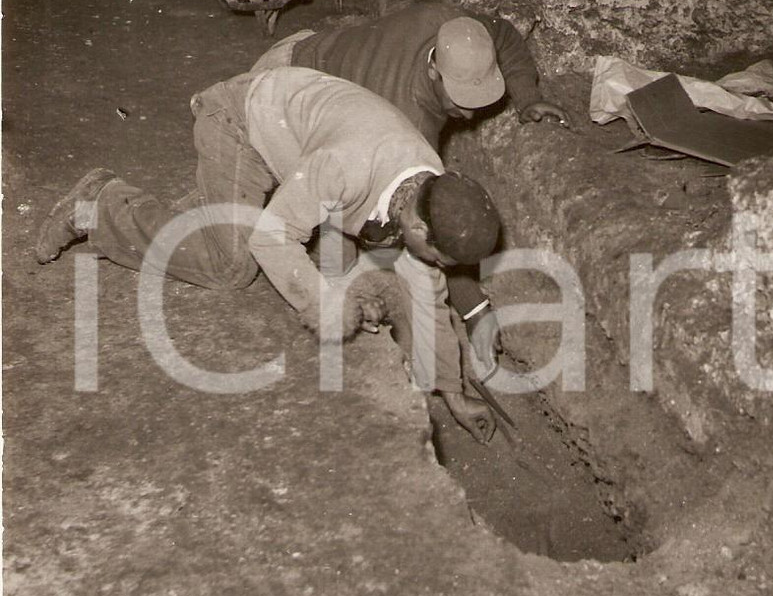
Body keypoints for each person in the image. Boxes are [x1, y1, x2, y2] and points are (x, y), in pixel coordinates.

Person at [35, 65, 502, 441]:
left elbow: (427, 294)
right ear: (419, 226)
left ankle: (198, 208)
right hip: (239, 123)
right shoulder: (346, 166)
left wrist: (451, 391)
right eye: (441, 257)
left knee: (229, 226)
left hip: (294, 134)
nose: (439, 267)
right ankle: (98, 205)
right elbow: (272, 238)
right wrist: (326, 303)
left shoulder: (429, 184)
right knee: (231, 263)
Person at [256, 0, 570, 367]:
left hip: (319, 52)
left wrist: (528, 98)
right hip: (286, 91)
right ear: (434, 71)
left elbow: (501, 32)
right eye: (460, 101)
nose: (470, 114)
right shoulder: (410, 116)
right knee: (340, 262)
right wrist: (474, 309)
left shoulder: (460, 32)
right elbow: (432, 233)